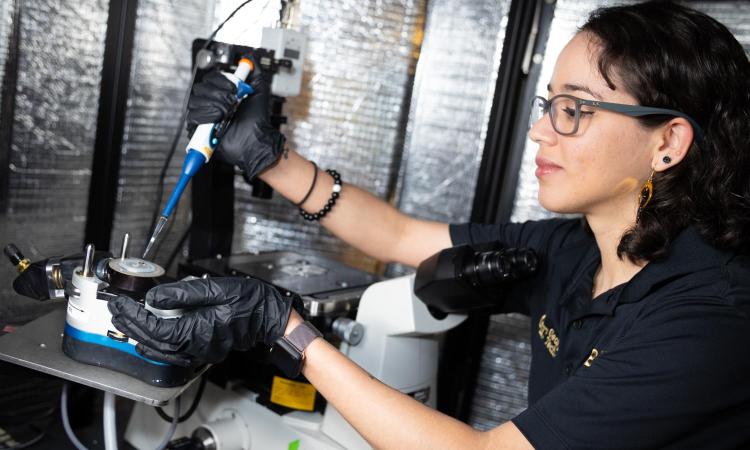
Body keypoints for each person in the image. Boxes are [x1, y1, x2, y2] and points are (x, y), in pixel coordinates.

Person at [108, 1, 750, 448]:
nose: (537, 131)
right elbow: (398, 237)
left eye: (574, 111)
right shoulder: (577, 248)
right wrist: (268, 159)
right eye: (548, 104)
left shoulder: (707, 319)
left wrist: (284, 327)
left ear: (668, 143)